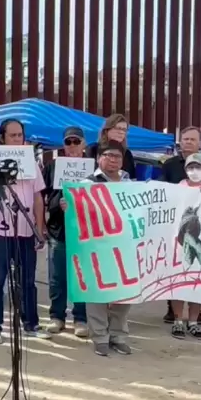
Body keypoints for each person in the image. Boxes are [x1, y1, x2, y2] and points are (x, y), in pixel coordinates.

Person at [0, 119, 49, 344]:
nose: (17, 139)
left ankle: (30, 323)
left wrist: (39, 228)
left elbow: (38, 197)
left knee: (28, 280)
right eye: (12, 135)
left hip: (26, 230)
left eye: (20, 135)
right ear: (2, 138)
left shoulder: (31, 162)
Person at [74, 140, 133, 356]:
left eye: (118, 156)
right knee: (98, 291)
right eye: (109, 155)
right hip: (97, 245)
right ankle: (99, 336)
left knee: (124, 291)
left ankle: (118, 335)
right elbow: (76, 211)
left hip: (125, 244)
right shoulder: (87, 184)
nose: (114, 160)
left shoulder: (130, 183)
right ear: (99, 157)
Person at [160, 126, 201, 327]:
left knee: (198, 274)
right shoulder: (169, 165)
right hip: (176, 231)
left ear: (200, 143)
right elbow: (161, 192)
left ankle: (195, 315)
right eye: (184, 139)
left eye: (192, 139)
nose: (188, 142)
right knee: (177, 273)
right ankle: (175, 314)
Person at [41, 126, 89, 337]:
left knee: (82, 276)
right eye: (68, 142)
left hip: (85, 232)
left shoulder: (92, 168)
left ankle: (81, 318)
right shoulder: (51, 167)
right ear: (63, 145)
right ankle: (57, 316)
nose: (72, 146)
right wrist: (56, 204)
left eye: (76, 142)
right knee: (57, 276)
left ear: (83, 144)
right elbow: (43, 197)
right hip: (57, 230)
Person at [169, 153, 201, 340]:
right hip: (178, 242)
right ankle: (178, 320)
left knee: (198, 282)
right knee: (179, 282)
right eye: (191, 167)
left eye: (199, 167)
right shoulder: (177, 188)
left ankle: (193, 322)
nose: (195, 171)